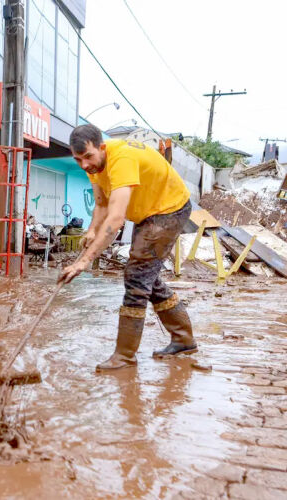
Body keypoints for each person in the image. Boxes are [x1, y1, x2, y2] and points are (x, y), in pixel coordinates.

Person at [58, 124, 196, 371]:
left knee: (136, 277)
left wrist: (83, 261)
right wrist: (91, 230)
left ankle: (124, 356)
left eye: (88, 157)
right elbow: (101, 205)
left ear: (101, 147)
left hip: (170, 208)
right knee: (145, 277)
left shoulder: (121, 159)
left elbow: (116, 219)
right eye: (77, 159)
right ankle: (184, 339)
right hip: (148, 213)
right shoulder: (93, 165)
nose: (84, 165)